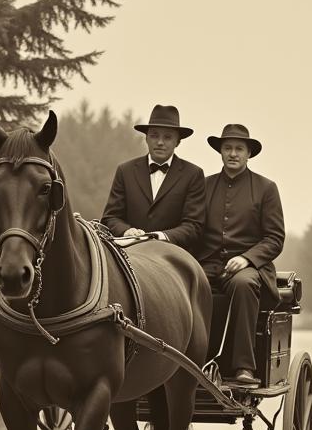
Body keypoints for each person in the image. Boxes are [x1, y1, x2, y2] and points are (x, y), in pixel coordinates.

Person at [198, 123, 285, 387]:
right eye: (228, 148)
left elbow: (275, 238)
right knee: (185, 283)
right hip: (208, 264)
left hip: (249, 268)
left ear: (249, 154)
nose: (233, 153)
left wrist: (247, 259)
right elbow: (192, 228)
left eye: (239, 149)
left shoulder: (266, 188)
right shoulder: (203, 186)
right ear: (220, 152)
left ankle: (243, 367)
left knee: (243, 284)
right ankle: (190, 362)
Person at [101, 104, 206, 250]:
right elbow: (110, 218)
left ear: (178, 142)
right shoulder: (125, 171)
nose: (160, 142)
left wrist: (159, 236)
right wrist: (126, 231)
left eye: (167, 137)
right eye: (154, 135)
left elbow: (194, 226)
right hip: (129, 253)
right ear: (146, 138)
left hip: (172, 256)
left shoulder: (193, 174)